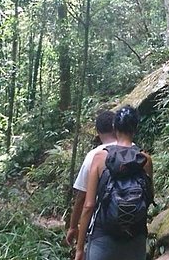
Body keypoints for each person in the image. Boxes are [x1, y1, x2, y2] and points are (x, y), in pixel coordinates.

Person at [75, 105, 153, 260]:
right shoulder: (145, 159)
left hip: (103, 238)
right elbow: (148, 197)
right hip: (136, 238)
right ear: (135, 128)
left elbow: (89, 205)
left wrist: (79, 248)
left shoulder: (99, 158)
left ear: (114, 127)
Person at [65, 110, 117, 246]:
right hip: (136, 232)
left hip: (102, 231)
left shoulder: (94, 156)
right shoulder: (138, 153)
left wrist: (73, 226)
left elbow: (83, 198)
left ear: (98, 132)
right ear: (117, 128)